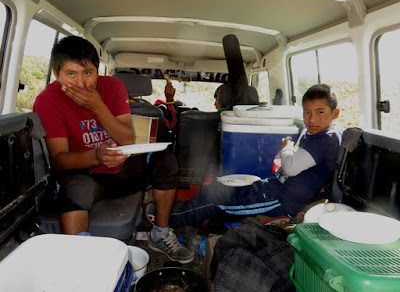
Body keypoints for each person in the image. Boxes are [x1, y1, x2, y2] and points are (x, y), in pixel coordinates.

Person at [33, 36, 193, 264]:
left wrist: (98, 106)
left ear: (98, 72)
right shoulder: (48, 100)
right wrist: (95, 156)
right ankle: (80, 260)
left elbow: (127, 138)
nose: (81, 83)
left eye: (88, 73)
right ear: (57, 76)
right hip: (85, 175)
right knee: (71, 189)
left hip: (122, 170)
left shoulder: (113, 87)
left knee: (166, 162)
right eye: (71, 74)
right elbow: (59, 160)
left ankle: (160, 234)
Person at [169, 84, 342, 227]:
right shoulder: (313, 132)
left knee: (215, 201)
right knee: (215, 189)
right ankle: (174, 214)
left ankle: (167, 221)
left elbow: (290, 167)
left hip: (281, 200)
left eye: (320, 112)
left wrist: (286, 148)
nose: (312, 119)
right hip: (272, 188)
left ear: (335, 114)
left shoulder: (327, 138)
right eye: (307, 112)